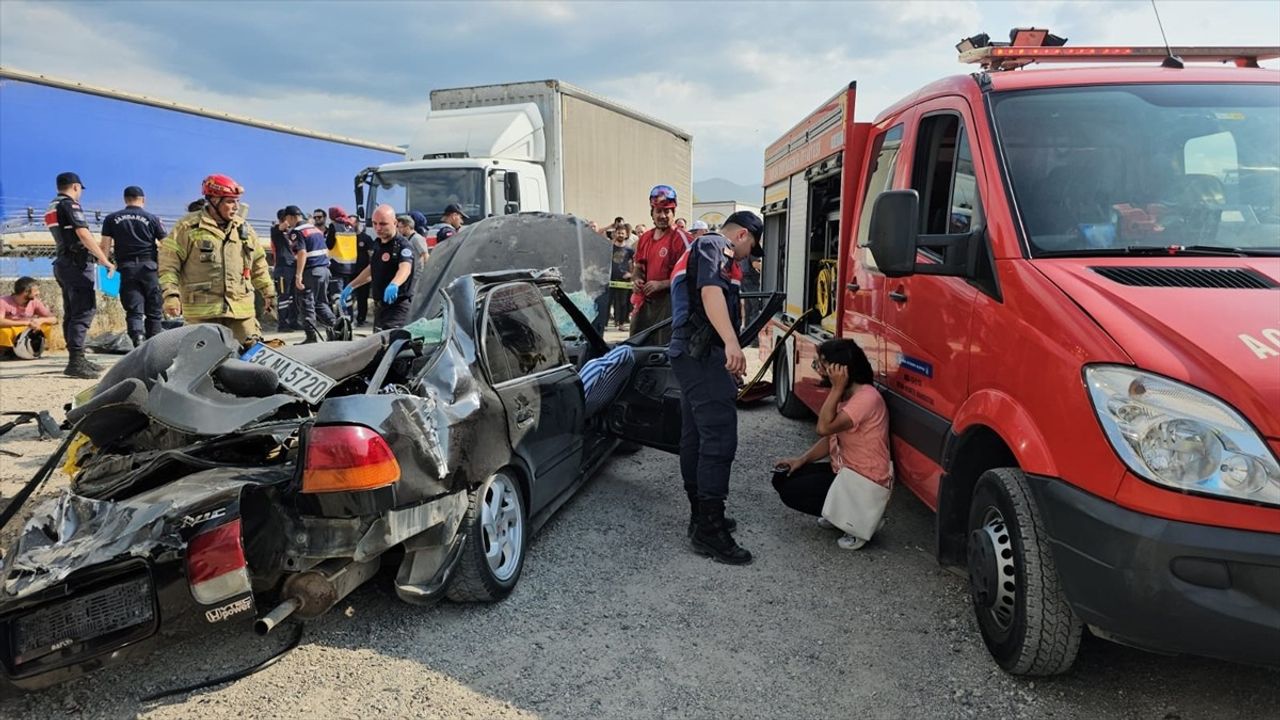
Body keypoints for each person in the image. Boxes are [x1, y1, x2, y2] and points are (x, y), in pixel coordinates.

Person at [668, 210, 761, 564]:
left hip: (697, 353)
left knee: (695, 435)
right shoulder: (714, 245)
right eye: (752, 245)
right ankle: (709, 528)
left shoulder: (700, 247)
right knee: (720, 437)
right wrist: (732, 346)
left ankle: (701, 516)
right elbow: (710, 294)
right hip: (701, 351)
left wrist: (726, 354)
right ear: (742, 235)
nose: (749, 255)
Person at [772, 339, 891, 550]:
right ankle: (839, 512)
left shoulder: (866, 398)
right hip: (845, 472)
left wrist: (836, 388)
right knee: (782, 477)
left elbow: (824, 428)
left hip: (862, 480)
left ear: (842, 368)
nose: (820, 367)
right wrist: (800, 460)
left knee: (792, 491)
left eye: (824, 363)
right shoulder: (849, 394)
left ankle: (859, 522)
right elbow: (831, 439)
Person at [159, 174, 274, 344]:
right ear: (213, 200)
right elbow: (168, 265)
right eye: (229, 201)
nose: (235, 207)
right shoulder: (187, 227)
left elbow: (258, 264)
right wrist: (171, 295)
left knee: (251, 359)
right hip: (203, 315)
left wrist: (268, 292)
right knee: (203, 363)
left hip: (241, 313)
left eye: (236, 201)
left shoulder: (244, 229)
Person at [46, 171, 114, 378]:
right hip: (76, 264)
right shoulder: (70, 205)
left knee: (72, 312)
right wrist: (104, 259)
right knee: (84, 310)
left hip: (63, 263)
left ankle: (77, 358)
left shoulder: (52, 205)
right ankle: (76, 361)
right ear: (76, 187)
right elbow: (83, 234)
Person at [100, 186, 166, 347]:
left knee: (134, 309)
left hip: (126, 268)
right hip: (149, 267)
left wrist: (106, 265)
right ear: (143, 199)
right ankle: (154, 343)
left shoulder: (111, 219)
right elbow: (165, 244)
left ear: (125, 199)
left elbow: (105, 247)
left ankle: (137, 340)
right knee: (154, 309)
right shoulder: (152, 218)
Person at [631, 184, 691, 343]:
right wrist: (636, 280)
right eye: (659, 211)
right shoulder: (645, 238)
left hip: (672, 304)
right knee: (637, 345)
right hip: (647, 303)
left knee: (665, 350)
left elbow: (691, 275)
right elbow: (638, 267)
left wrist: (662, 284)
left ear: (673, 213)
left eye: (667, 211)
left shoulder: (682, 239)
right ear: (652, 213)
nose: (663, 215)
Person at [340, 205, 414, 330]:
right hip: (380, 308)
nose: (378, 228)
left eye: (383, 224)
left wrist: (394, 284)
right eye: (375, 223)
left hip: (397, 307)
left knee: (391, 343)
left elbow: (405, 268)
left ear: (395, 223)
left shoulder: (402, 245)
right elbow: (371, 269)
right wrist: (352, 285)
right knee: (378, 345)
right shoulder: (377, 244)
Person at [279, 205, 335, 343]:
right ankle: (337, 326)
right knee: (321, 303)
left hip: (311, 271)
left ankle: (311, 337)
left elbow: (301, 252)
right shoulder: (314, 229)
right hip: (324, 270)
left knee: (306, 303)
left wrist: (298, 276)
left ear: (291, 217)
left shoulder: (296, 231)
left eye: (287, 219)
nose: (287, 223)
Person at [0, 277, 57, 359]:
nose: (38, 293)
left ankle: (33, 348)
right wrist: (26, 323)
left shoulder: (35, 302)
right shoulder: (3, 301)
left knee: (46, 326)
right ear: (25, 292)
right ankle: (6, 351)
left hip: (26, 331)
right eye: (36, 291)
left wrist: (40, 320)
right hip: (12, 329)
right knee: (4, 331)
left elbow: (53, 319)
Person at [270, 208, 300, 330]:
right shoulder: (276, 229)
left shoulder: (290, 233)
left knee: (293, 297)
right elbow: (281, 227)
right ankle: (282, 323)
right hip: (282, 268)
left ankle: (293, 321)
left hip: (292, 266)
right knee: (284, 296)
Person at [325, 206, 358, 300]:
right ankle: (349, 314)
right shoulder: (351, 226)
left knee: (338, 295)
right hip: (351, 266)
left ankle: (342, 314)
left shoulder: (334, 226)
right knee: (348, 295)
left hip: (337, 266)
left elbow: (329, 245)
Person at [609, 224, 634, 330]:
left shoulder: (629, 250)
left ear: (626, 234)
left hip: (624, 280)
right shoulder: (609, 248)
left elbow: (633, 264)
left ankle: (621, 324)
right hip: (610, 279)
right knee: (609, 302)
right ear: (615, 233)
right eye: (618, 232)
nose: (620, 235)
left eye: (622, 233)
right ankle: (606, 324)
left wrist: (631, 275)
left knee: (623, 303)